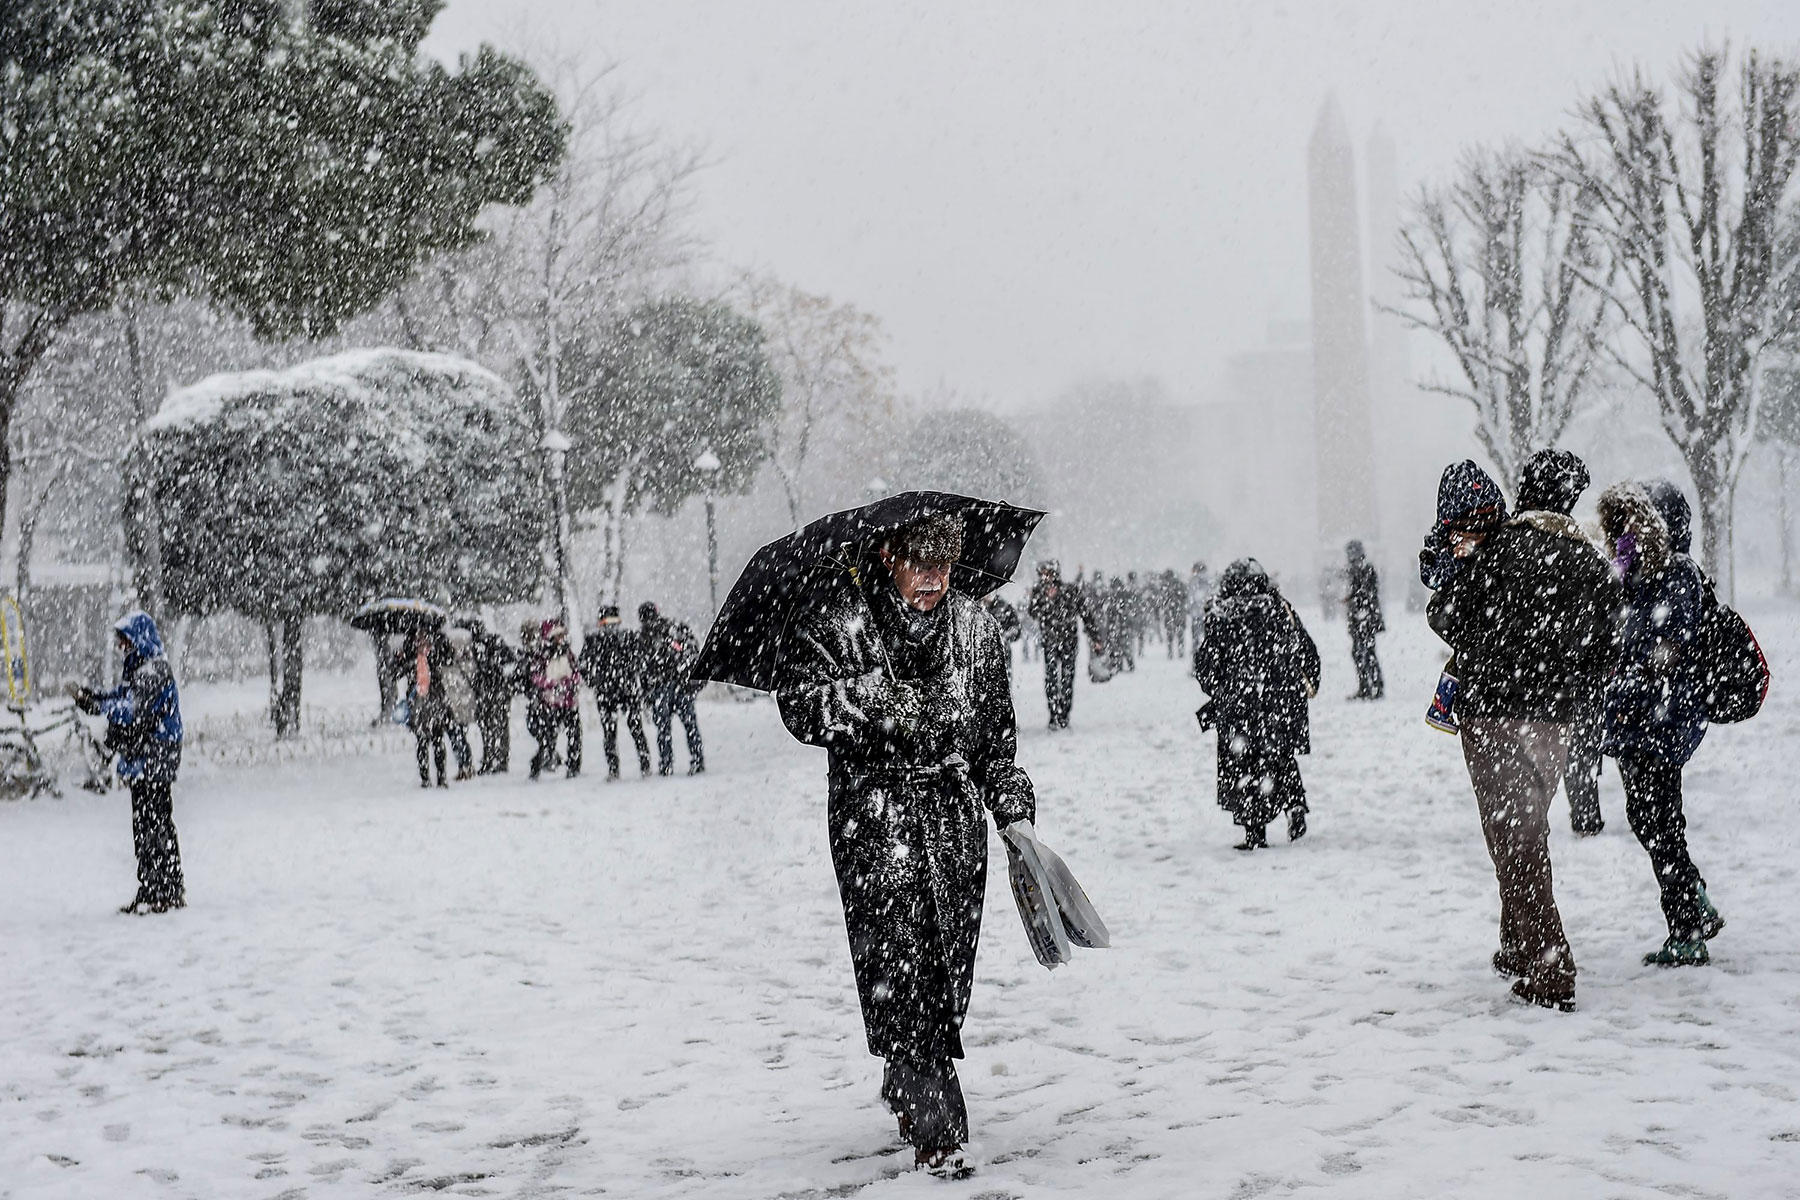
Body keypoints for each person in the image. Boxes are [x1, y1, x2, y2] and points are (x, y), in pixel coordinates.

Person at [774, 512, 1035, 1173]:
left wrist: (1010, 803)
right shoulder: (841, 620)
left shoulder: (976, 629)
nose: (932, 579)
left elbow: (995, 739)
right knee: (902, 970)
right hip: (874, 823)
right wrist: (875, 702)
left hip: (953, 830)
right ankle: (938, 1131)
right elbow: (800, 704)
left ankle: (906, 1070)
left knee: (945, 976)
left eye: (943, 565)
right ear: (889, 556)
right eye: (920, 564)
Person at [1427, 459, 1618, 1011]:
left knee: (1515, 839)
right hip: (1556, 720)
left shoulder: (1498, 552)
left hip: (1495, 714)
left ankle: (1550, 969)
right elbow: (1609, 640)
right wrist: (1571, 682)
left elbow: (1447, 617)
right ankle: (1518, 942)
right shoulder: (1587, 557)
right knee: (1525, 830)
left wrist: (1452, 570)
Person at [1598, 481, 1724, 967]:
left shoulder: (1678, 574)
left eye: (1632, 525)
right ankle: (1694, 902)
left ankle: (1688, 930)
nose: (1624, 536)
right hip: (1637, 721)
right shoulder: (1633, 572)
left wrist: (1626, 676)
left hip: (1660, 721)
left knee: (1661, 824)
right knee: (1650, 819)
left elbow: (1669, 648)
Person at [1193, 559, 1320, 849]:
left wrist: (1220, 689)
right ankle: (1294, 804)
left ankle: (1254, 832)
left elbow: (1207, 666)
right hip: (1278, 699)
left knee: (1242, 765)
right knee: (1279, 756)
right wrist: (1300, 685)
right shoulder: (1279, 608)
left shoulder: (1222, 615)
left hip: (1239, 704)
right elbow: (1306, 650)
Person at [71, 612, 186, 914]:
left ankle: (164, 890)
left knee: (154, 824)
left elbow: (133, 710)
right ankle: (155, 889)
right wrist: (94, 699)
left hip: (155, 757)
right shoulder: (140, 668)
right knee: (147, 824)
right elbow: (122, 698)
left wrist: (99, 708)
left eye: (125, 641)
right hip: (146, 757)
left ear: (139, 639)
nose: (122, 647)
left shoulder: (153, 670)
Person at [1516, 449, 1605, 834]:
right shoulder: (1586, 557)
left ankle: (1529, 824)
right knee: (1580, 754)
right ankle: (1585, 816)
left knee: (1525, 768)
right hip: (1575, 683)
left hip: (1521, 684)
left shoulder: (1506, 547)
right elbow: (1609, 628)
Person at [578, 605, 652, 781]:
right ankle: (615, 768)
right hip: (608, 691)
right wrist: (593, 681)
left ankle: (644, 765)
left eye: (614, 622)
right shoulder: (594, 640)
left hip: (625, 690)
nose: (611, 627)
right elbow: (583, 664)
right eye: (607, 623)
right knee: (611, 732)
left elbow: (642, 661)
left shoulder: (628, 637)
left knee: (634, 728)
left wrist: (634, 675)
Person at [639, 602, 705, 776]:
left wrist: (647, 693)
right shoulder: (672, 628)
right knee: (689, 726)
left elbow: (643, 668)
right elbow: (690, 650)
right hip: (679, 686)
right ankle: (696, 760)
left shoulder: (646, 637)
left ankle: (667, 764)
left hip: (662, 687)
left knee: (664, 730)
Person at [1026, 560, 1084, 728]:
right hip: (1050, 642)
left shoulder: (1069, 590)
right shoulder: (1039, 591)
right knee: (1051, 680)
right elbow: (1033, 612)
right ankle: (1053, 714)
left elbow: (1084, 612)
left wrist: (1095, 638)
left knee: (1067, 679)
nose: (1046, 577)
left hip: (1068, 641)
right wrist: (1042, 600)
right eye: (1043, 574)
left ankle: (1064, 714)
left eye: (1048, 574)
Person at [396, 626, 453, 788]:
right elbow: (397, 672)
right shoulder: (409, 653)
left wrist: (434, 652)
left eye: (424, 637)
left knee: (438, 739)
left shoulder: (436, 650)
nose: (421, 641)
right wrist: (403, 660)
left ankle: (441, 777)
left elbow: (449, 659)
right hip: (418, 702)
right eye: (418, 638)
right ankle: (425, 779)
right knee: (422, 741)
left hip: (435, 700)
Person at [460, 617, 516, 774]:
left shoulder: (475, 645)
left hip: (488, 690)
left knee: (488, 726)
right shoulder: (493, 641)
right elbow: (510, 660)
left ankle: (491, 758)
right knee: (499, 725)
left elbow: (478, 668)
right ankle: (499, 759)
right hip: (497, 689)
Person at [529, 619, 582, 779]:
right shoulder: (542, 655)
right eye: (558, 636)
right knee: (548, 738)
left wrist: (569, 682)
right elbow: (536, 676)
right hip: (550, 702)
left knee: (574, 735)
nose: (561, 638)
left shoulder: (568, 653)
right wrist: (552, 684)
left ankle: (574, 767)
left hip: (569, 701)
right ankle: (538, 764)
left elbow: (576, 673)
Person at [1343, 541, 1385, 700]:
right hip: (1362, 618)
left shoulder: (1365, 569)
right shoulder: (1359, 569)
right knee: (1361, 653)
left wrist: (1355, 601)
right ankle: (1368, 686)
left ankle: (1373, 686)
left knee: (1366, 653)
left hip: (1364, 619)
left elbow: (1367, 593)